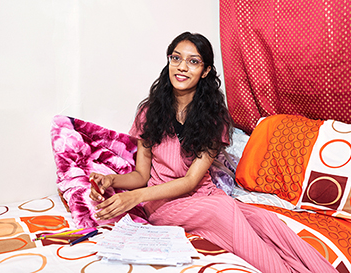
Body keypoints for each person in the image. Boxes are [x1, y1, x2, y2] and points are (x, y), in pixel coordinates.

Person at [89, 32, 337, 273]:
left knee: (267, 221)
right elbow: (141, 175)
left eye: (193, 61)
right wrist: (112, 180)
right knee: (224, 211)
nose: (182, 67)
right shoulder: (148, 112)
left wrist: (134, 197)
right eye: (176, 58)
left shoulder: (214, 117)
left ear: (205, 70)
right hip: (163, 205)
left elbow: (191, 181)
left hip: (203, 195)